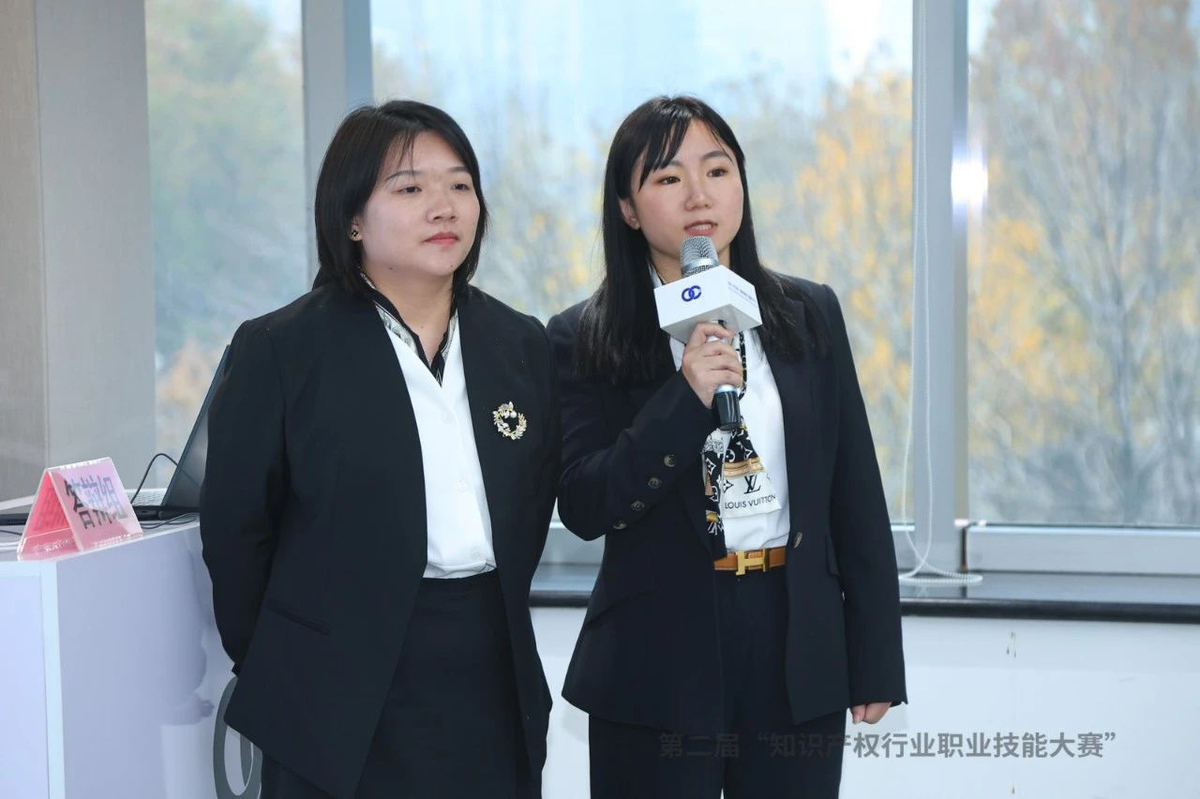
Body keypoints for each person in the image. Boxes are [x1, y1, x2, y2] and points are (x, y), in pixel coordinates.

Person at [546, 95, 907, 798]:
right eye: (668, 177)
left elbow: (855, 493)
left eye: (717, 170)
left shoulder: (809, 312)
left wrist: (874, 657)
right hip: (656, 654)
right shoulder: (581, 335)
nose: (699, 194)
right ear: (627, 208)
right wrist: (684, 400)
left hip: (793, 642)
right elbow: (587, 503)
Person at [200, 100, 560, 799]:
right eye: (410, 187)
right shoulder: (282, 349)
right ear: (352, 219)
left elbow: (533, 499)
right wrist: (290, 662)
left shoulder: (520, 343)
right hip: (336, 691)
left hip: (490, 672)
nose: (443, 206)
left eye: (460, 185)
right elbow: (237, 535)